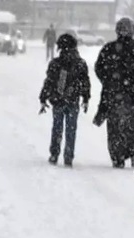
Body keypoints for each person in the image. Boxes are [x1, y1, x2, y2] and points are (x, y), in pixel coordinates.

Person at [94, 18, 134, 168]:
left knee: (115, 127)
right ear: (133, 31)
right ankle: (133, 150)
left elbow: (99, 68)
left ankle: (117, 156)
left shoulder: (109, 49)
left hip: (114, 95)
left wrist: (109, 80)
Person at [39, 34, 90, 168]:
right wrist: (86, 97)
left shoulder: (55, 63)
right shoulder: (80, 63)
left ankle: (54, 153)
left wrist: (43, 97)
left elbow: (49, 82)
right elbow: (85, 82)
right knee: (71, 129)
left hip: (58, 100)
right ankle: (68, 156)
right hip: (73, 100)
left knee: (57, 127)